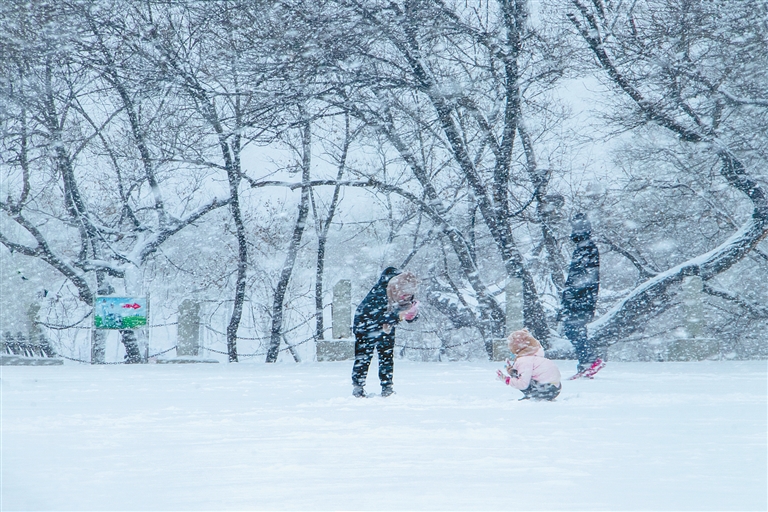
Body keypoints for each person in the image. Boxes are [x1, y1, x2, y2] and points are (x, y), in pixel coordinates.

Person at [351, 267, 420, 398]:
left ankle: (387, 387)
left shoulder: (402, 289)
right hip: (365, 326)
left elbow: (405, 309)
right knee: (364, 357)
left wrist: (412, 313)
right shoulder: (380, 292)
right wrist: (400, 316)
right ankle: (358, 388)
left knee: (386, 356)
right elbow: (378, 317)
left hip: (386, 326)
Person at [559, 213, 604, 379]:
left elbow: (582, 278)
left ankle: (589, 361)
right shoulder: (584, 248)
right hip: (581, 299)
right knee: (575, 330)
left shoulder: (586, 248)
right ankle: (586, 363)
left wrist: (571, 296)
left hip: (581, 300)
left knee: (574, 330)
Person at [496, 329, 561, 401]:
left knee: (518, 376)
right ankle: (535, 395)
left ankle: (533, 396)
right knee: (517, 374)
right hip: (555, 388)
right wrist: (513, 370)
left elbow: (523, 384)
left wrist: (506, 379)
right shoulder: (536, 356)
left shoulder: (524, 360)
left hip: (544, 390)